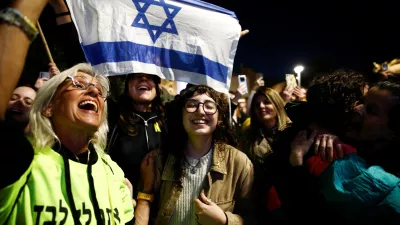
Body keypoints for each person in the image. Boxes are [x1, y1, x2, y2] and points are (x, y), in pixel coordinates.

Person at [0, 63, 134, 224]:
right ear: (49, 107)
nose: (94, 91)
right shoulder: (21, 160)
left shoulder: (113, 171)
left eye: (99, 91)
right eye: (78, 84)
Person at [135, 85, 256, 225]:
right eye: (192, 105)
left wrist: (225, 219)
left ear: (220, 118)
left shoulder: (239, 162)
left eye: (209, 106)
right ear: (181, 115)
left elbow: (253, 218)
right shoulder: (158, 160)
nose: (200, 111)